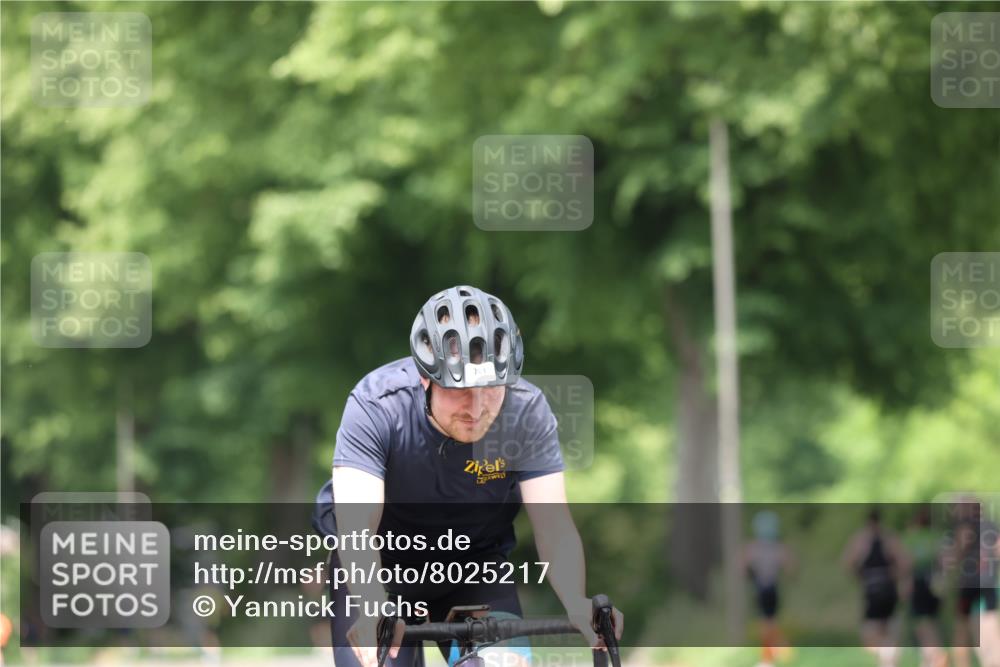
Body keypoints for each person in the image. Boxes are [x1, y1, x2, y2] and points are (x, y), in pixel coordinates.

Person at [311, 286, 623, 667]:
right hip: (381, 564)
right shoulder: (375, 405)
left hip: (474, 565)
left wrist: (576, 600)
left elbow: (554, 525)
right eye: (460, 390)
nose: (477, 408)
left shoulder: (526, 413)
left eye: (491, 389)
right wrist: (374, 604)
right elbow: (357, 526)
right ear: (425, 378)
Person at [842, 508, 908, 667]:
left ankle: (886, 656)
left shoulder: (861, 539)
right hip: (889, 590)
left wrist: (860, 576)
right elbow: (905, 563)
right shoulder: (889, 538)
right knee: (889, 632)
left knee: (870, 635)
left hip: (872, 591)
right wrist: (894, 575)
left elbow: (847, 563)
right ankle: (888, 658)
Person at [945, 497, 1000, 667]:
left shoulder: (965, 527)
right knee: (989, 622)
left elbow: (957, 552)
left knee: (962, 629)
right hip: (989, 582)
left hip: (969, 583)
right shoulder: (991, 526)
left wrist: (948, 573)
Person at [741, 511, 795, 667]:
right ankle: (774, 654)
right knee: (768, 624)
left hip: (762, 589)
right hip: (771, 588)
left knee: (766, 625)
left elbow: (742, 567)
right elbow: (790, 567)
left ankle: (773, 655)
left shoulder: (753, 547)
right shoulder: (777, 547)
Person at [900, 506, 946, 667]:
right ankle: (930, 658)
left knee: (921, 622)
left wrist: (905, 584)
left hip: (918, 583)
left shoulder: (910, 538)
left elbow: (906, 564)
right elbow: (943, 562)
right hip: (934, 583)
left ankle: (935, 656)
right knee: (932, 621)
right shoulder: (937, 537)